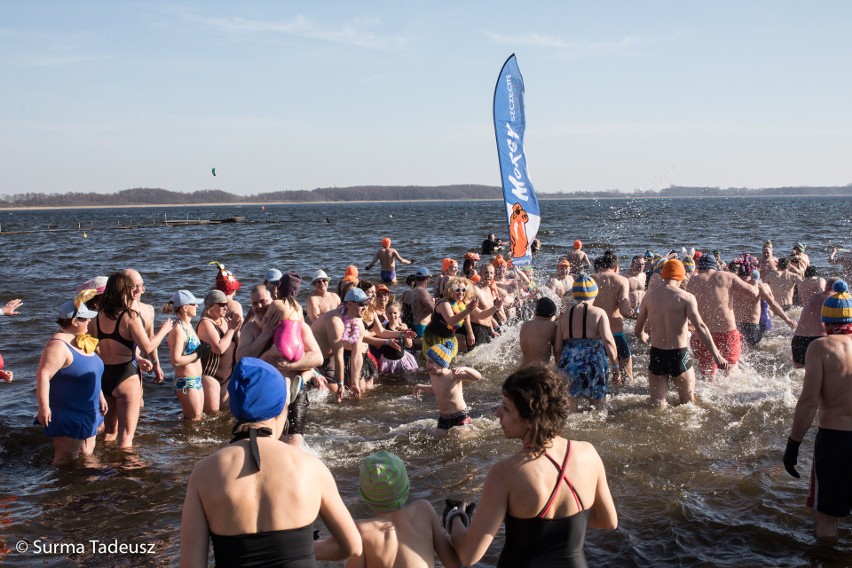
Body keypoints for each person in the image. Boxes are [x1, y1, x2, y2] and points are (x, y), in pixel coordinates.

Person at [180, 357, 361, 566]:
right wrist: (302, 550)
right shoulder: (311, 468)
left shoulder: (205, 473)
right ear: (281, 408)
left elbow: (192, 564)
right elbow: (352, 546)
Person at [448, 365, 617, 567]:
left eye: (506, 408)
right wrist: (563, 524)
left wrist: (455, 518)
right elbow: (608, 521)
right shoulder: (588, 453)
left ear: (531, 418)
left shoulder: (505, 473)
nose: (497, 413)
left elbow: (468, 555)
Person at [784, 280, 852, 544]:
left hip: (835, 441)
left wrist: (793, 445)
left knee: (826, 518)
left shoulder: (821, 348)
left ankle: (827, 560)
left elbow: (808, 402)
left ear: (825, 321)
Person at [92, 272, 172, 447]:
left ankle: (107, 469)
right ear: (124, 291)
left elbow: (92, 348)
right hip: (126, 375)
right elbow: (148, 347)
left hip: (105, 376)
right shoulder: (130, 317)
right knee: (126, 437)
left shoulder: (97, 317)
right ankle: (126, 473)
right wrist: (164, 330)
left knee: (110, 433)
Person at [636, 259, 729, 407]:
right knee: (688, 404)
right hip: (679, 354)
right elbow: (701, 327)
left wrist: (643, 336)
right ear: (681, 277)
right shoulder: (686, 297)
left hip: (657, 354)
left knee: (658, 405)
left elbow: (638, 329)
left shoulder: (649, 296)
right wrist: (717, 356)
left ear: (663, 276)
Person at [349, 450, 460, 568]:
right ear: (405, 487)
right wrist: (457, 518)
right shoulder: (423, 510)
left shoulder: (360, 531)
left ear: (364, 494)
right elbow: (453, 563)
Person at [36, 295, 107, 465]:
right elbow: (43, 375)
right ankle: (58, 490)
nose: (89, 322)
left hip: (89, 409)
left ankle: (89, 488)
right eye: (86, 319)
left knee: (87, 454)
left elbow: (93, 371)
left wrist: (101, 396)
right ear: (74, 321)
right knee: (65, 458)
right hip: (69, 412)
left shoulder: (80, 339)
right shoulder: (58, 345)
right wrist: (44, 407)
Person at [685, 252, 758, 380]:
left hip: (704, 334)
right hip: (727, 332)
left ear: (699, 267)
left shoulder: (692, 281)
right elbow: (753, 293)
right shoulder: (727, 276)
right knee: (730, 370)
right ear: (715, 266)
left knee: (707, 376)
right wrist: (756, 281)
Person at [554, 274, 618, 412]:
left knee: (570, 407)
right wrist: (616, 366)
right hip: (593, 363)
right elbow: (608, 340)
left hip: (569, 362)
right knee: (598, 405)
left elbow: (558, 347)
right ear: (594, 293)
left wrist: (560, 365)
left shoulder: (564, 316)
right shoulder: (599, 313)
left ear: (574, 295)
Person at [311, 287, 370, 402]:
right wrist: (340, 384)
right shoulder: (335, 321)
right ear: (349, 304)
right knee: (333, 392)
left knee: (360, 388)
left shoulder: (358, 322)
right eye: (362, 304)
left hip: (330, 358)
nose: (365, 307)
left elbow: (357, 355)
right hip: (314, 358)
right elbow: (339, 356)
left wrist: (355, 383)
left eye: (366, 303)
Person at [413, 341, 482, 438]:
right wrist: (420, 386)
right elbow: (437, 390)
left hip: (459, 416)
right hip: (444, 417)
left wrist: (465, 368)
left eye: (430, 362)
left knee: (459, 438)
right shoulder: (433, 374)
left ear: (441, 363)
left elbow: (478, 377)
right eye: (426, 361)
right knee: (437, 438)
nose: (427, 364)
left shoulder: (453, 375)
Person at [196, 289, 242, 413]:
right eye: (221, 305)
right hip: (211, 374)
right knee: (212, 414)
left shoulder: (225, 321)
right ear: (211, 306)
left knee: (226, 412)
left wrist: (237, 331)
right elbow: (219, 348)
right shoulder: (205, 323)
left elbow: (235, 344)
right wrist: (231, 330)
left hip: (228, 374)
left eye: (226, 305)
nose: (225, 308)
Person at [592, 251, 634, 383]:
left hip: (594, 334)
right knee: (627, 376)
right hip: (615, 334)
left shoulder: (590, 279)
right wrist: (639, 315)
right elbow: (625, 310)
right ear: (616, 267)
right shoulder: (622, 280)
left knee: (596, 376)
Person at [164, 290, 206, 421]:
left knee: (197, 419)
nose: (197, 306)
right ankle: (183, 441)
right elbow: (175, 361)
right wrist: (198, 354)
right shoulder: (178, 330)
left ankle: (188, 441)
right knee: (193, 420)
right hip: (187, 383)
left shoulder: (188, 326)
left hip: (196, 381)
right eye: (194, 304)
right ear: (185, 307)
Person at [121, 269, 164, 384]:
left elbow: (150, 338)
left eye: (140, 286)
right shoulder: (120, 313)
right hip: (123, 366)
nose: (138, 289)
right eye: (134, 286)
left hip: (140, 365)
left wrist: (156, 365)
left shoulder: (148, 309)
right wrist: (137, 358)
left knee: (139, 401)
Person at [422, 277, 478, 364]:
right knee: (434, 364)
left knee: (449, 363)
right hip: (434, 338)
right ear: (450, 290)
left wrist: (470, 333)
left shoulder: (460, 302)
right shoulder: (444, 304)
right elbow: (451, 321)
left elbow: (466, 315)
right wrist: (468, 310)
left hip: (449, 338)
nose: (461, 292)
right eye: (457, 289)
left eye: (464, 290)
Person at [791, 278, 837, 368]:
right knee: (822, 373)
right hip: (818, 340)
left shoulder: (812, 297)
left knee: (798, 372)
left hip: (798, 339)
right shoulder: (834, 299)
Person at [470, 264, 506, 347]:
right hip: (477, 329)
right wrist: (470, 332)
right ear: (480, 273)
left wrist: (492, 330)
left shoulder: (489, 290)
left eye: (491, 273)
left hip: (488, 330)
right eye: (486, 272)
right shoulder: (475, 289)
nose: (489, 275)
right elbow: (467, 313)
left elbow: (489, 314)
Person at [377, 302, 418, 375]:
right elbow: (378, 346)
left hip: (401, 359)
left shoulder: (403, 326)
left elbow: (409, 345)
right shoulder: (382, 327)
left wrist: (404, 333)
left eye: (395, 313)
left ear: (400, 313)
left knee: (405, 377)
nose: (392, 315)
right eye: (390, 313)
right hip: (388, 360)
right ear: (385, 313)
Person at [519, 297, 558, 367]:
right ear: (552, 314)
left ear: (535, 311)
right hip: (539, 372)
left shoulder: (525, 325)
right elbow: (558, 350)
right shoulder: (551, 326)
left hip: (522, 370)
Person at [411, 268, 435, 341]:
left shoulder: (413, 291)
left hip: (417, 325)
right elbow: (433, 309)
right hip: (423, 326)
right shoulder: (422, 292)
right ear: (427, 279)